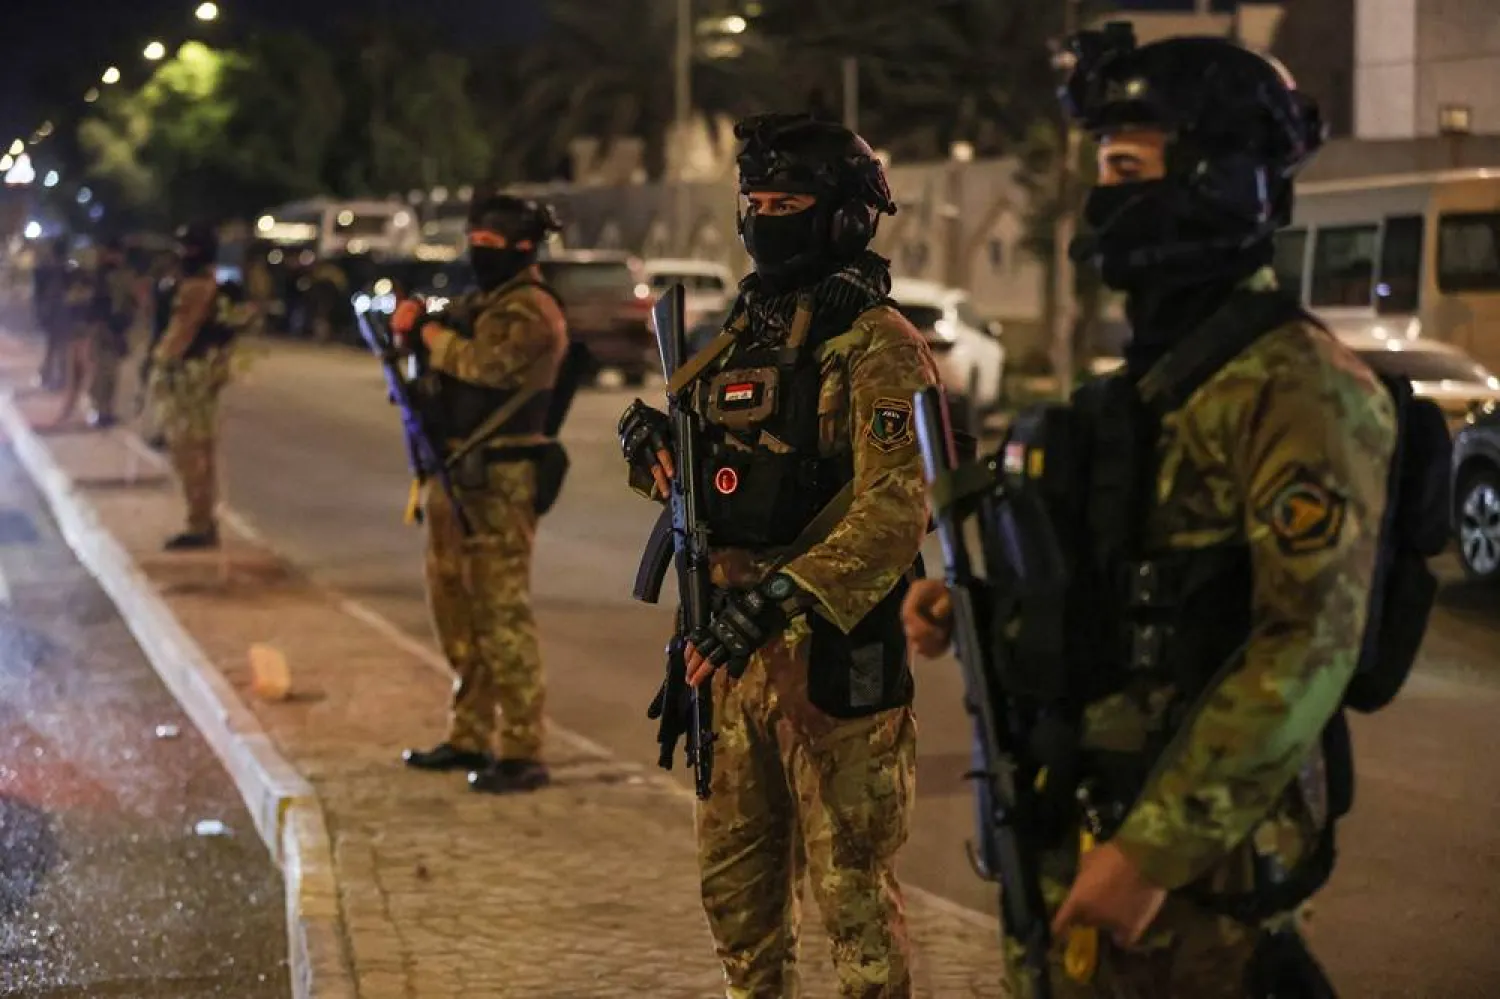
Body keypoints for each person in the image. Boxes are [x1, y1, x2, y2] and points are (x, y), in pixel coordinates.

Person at [904, 30, 1399, 998]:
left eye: (1127, 167)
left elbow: (1305, 648)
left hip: (1195, 878)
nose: (1103, 197)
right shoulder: (1143, 384)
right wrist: (982, 609)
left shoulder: (1297, 386)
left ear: (1217, 180)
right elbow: (1124, 579)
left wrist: (1152, 854)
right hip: (1080, 820)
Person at [618, 113, 939, 997]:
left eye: (787, 201)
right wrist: (655, 453)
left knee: (855, 903)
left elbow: (896, 509)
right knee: (738, 903)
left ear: (841, 215)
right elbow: (721, 492)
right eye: (753, 201)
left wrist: (787, 595)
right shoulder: (739, 339)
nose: (765, 218)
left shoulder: (879, 345)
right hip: (724, 656)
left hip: (832, 660)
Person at [395, 193, 569, 795]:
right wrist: (416, 328)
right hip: (456, 475)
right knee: (455, 608)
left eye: (490, 245)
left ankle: (522, 746)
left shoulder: (531, 311)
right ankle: (469, 732)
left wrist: (429, 333)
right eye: (475, 242)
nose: (478, 253)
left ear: (524, 249)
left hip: (500, 479)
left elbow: (487, 365)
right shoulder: (483, 303)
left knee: (500, 612)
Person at [151, 223, 233, 551]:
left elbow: (179, 335)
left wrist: (158, 364)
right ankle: (203, 520)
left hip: (188, 375)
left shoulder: (196, 287)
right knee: (201, 449)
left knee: (188, 451)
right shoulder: (219, 286)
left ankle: (199, 523)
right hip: (205, 375)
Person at [83, 236, 137, 428]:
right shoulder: (100, 275)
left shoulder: (124, 275)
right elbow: (92, 304)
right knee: (101, 372)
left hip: (116, 330)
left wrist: (125, 325)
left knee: (112, 373)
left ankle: (106, 410)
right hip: (102, 328)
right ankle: (99, 409)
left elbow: (131, 303)